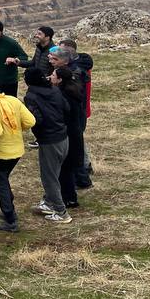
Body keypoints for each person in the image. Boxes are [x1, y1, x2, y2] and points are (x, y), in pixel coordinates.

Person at [0, 76, 36, 233]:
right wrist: (17, 129)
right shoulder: (13, 100)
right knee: (3, 179)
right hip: (17, 149)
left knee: (0, 181)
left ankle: (10, 217)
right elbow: (30, 121)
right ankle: (8, 207)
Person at [22, 67, 71, 224]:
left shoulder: (31, 96)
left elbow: (37, 119)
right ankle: (48, 203)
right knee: (54, 173)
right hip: (63, 137)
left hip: (49, 140)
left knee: (49, 178)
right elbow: (66, 108)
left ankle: (61, 212)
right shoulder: (54, 89)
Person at [61, 38, 96, 189]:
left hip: (78, 112)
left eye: (61, 50)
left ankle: (82, 175)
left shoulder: (76, 71)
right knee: (78, 141)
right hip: (80, 110)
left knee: (76, 144)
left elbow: (77, 94)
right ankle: (85, 167)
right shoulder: (78, 66)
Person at [53, 62, 86, 211]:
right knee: (69, 167)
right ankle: (70, 196)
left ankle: (68, 198)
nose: (51, 77)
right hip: (75, 132)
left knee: (65, 168)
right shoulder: (73, 90)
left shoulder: (63, 95)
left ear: (60, 80)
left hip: (68, 134)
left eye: (53, 75)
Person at [0, 20, 28, 97]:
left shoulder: (11, 43)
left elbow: (24, 57)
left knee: (9, 104)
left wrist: (14, 59)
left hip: (8, 82)